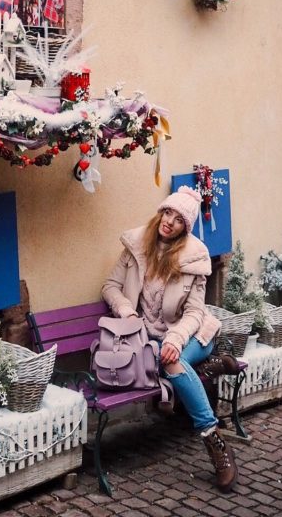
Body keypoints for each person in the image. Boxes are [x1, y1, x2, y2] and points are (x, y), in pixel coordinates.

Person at [102, 186, 239, 492]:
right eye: (167, 213)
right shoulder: (136, 248)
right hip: (149, 336)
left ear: (184, 228)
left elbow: (194, 313)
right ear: (160, 212)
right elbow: (110, 286)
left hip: (190, 334)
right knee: (169, 364)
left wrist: (175, 339)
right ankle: (211, 365)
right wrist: (126, 311)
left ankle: (214, 441)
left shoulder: (193, 260)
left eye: (179, 219)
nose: (170, 222)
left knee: (172, 363)